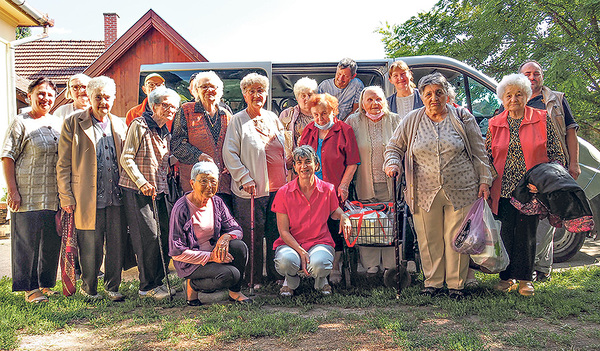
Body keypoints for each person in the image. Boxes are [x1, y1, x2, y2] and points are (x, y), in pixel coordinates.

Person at [384, 73, 492, 299]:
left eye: (439, 93)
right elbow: (393, 147)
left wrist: (484, 180)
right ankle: (433, 283)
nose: (434, 98)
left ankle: (456, 285)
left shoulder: (462, 117)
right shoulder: (411, 120)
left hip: (462, 188)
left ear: (447, 95)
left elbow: (479, 152)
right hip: (422, 190)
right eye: (428, 94)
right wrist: (393, 163)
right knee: (428, 238)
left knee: (459, 238)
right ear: (421, 97)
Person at [486, 73, 565, 297]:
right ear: (502, 98)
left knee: (527, 234)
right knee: (506, 233)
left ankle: (524, 279)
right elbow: (486, 157)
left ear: (527, 96)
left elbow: (556, 155)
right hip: (502, 187)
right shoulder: (495, 123)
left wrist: (544, 182)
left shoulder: (541, 118)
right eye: (508, 95)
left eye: (519, 94)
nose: (514, 99)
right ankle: (506, 277)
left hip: (531, 189)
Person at [57, 76, 128, 301]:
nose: (103, 102)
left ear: (113, 99)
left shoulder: (120, 123)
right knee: (90, 246)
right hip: (86, 197)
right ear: (89, 97)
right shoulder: (73, 122)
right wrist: (66, 196)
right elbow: (63, 163)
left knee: (116, 245)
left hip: (116, 196)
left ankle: (113, 287)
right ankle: (90, 288)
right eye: (98, 97)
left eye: (107, 97)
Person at [223, 73, 286, 288]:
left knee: (275, 232)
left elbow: (282, 149)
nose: (257, 95)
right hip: (251, 188)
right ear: (244, 94)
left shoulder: (273, 118)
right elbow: (229, 153)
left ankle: (277, 275)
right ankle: (253, 278)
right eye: (252, 91)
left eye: (261, 90)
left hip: (278, 189)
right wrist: (244, 177)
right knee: (253, 234)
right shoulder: (238, 120)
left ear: (266, 94)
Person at [1, 77, 62, 303]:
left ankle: (46, 284)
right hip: (27, 194)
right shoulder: (21, 122)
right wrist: (13, 191)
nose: (45, 98)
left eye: (49, 94)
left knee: (49, 243)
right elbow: (7, 157)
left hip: (53, 194)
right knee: (27, 243)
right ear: (30, 96)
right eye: (40, 93)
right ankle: (30, 289)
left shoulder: (57, 123)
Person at [520, 60, 581, 282]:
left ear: (542, 77)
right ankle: (525, 265)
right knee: (526, 217)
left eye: (536, 73)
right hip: (523, 168)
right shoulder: (513, 97)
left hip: (552, 165)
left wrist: (574, 163)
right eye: (527, 74)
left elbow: (570, 132)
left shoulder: (556, 99)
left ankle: (542, 268)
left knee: (548, 218)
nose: (532, 77)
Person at [119, 87, 180, 300]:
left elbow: (163, 160)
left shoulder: (165, 132)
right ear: (154, 105)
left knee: (163, 234)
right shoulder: (140, 125)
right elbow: (126, 158)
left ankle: (158, 281)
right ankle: (146, 286)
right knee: (148, 237)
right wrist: (142, 182)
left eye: (173, 106)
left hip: (159, 190)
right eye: (166, 105)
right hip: (138, 190)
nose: (170, 109)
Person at [273, 145, 352, 296]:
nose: (304, 166)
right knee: (286, 261)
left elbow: (335, 210)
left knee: (320, 264)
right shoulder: (283, 192)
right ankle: (290, 279)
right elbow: (283, 231)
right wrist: (301, 251)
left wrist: (344, 217)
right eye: (299, 162)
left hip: (320, 242)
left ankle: (321, 280)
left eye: (308, 161)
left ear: (316, 165)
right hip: (291, 243)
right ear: (295, 167)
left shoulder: (327, 189)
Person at [169, 161, 252, 305]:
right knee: (230, 275)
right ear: (192, 183)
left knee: (239, 247)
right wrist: (211, 257)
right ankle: (192, 285)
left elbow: (236, 229)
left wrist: (226, 237)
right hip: (191, 262)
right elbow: (177, 252)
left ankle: (235, 292)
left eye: (213, 181)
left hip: (214, 254)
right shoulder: (181, 208)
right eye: (203, 181)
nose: (209, 186)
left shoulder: (217, 202)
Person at [298, 93, 360, 284]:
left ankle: (335, 268)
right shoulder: (309, 130)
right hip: (310, 189)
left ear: (334, 111)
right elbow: (300, 159)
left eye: (324, 114)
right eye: (315, 114)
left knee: (335, 227)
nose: (319, 119)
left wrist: (344, 184)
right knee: (312, 227)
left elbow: (353, 162)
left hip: (334, 188)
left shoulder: (344, 130)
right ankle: (312, 266)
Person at [346, 86, 401, 275]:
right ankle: (371, 266)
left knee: (389, 221)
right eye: (369, 100)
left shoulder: (395, 120)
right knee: (368, 222)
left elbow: (403, 147)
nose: (374, 104)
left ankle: (390, 266)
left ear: (384, 101)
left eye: (378, 99)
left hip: (390, 182)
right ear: (362, 103)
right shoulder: (353, 121)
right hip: (364, 182)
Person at [171, 71, 233, 209]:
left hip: (223, 184)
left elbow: (234, 146)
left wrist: (231, 163)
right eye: (204, 87)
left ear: (219, 91)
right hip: (196, 184)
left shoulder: (226, 115)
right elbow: (176, 145)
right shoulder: (186, 110)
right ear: (196, 90)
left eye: (213, 87)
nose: (209, 90)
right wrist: (199, 156)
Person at [279, 77, 318, 169]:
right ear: (297, 98)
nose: (306, 99)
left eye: (310, 95)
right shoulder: (287, 114)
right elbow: (278, 140)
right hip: (294, 166)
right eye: (303, 96)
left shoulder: (322, 114)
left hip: (317, 165)